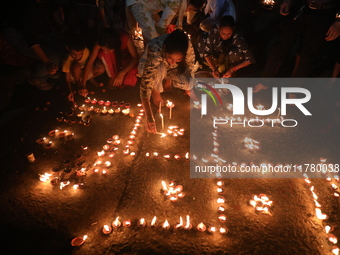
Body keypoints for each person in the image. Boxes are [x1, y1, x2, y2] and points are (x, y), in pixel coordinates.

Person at [139, 29, 198, 133]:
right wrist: (149, 116)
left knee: (189, 83)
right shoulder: (156, 48)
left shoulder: (186, 46)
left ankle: (167, 79)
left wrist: (189, 88)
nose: (173, 62)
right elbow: (146, 82)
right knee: (160, 67)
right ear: (165, 50)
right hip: (152, 67)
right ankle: (156, 91)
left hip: (171, 71)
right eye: (171, 58)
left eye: (178, 59)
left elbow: (189, 67)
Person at [78, 28, 139, 97]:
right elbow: (90, 62)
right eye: (103, 49)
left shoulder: (124, 38)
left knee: (128, 76)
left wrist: (122, 72)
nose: (106, 51)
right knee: (105, 54)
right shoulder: (101, 42)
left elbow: (135, 58)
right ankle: (111, 78)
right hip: (112, 59)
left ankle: (125, 86)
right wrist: (83, 84)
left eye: (109, 50)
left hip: (125, 58)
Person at [126, 0, 204, 45]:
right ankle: (150, 56)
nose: (188, 11)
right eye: (190, 8)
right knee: (153, 36)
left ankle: (147, 51)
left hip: (147, 6)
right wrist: (165, 40)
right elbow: (162, 25)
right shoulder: (176, 3)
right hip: (139, 3)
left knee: (151, 31)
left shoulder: (180, 2)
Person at [62, 34, 105, 101]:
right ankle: (78, 85)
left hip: (85, 72)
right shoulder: (67, 60)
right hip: (74, 77)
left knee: (101, 68)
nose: (77, 57)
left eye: (80, 54)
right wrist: (70, 91)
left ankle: (89, 80)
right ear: (68, 48)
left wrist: (83, 84)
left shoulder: (86, 51)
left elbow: (89, 65)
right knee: (76, 65)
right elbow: (67, 79)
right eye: (74, 54)